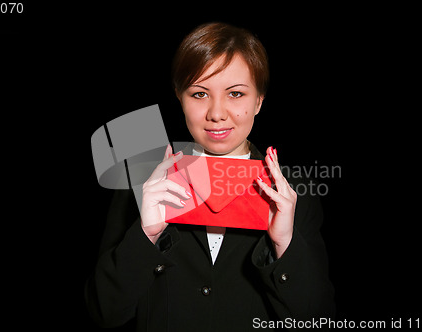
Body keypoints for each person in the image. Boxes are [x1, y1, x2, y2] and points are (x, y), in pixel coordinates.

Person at [85, 22, 335, 331]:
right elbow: (103, 312)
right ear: (180, 97)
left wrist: (284, 243)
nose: (217, 112)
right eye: (200, 93)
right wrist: (144, 236)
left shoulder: (294, 193)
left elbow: (317, 320)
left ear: (258, 101)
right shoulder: (141, 183)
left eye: (235, 93)